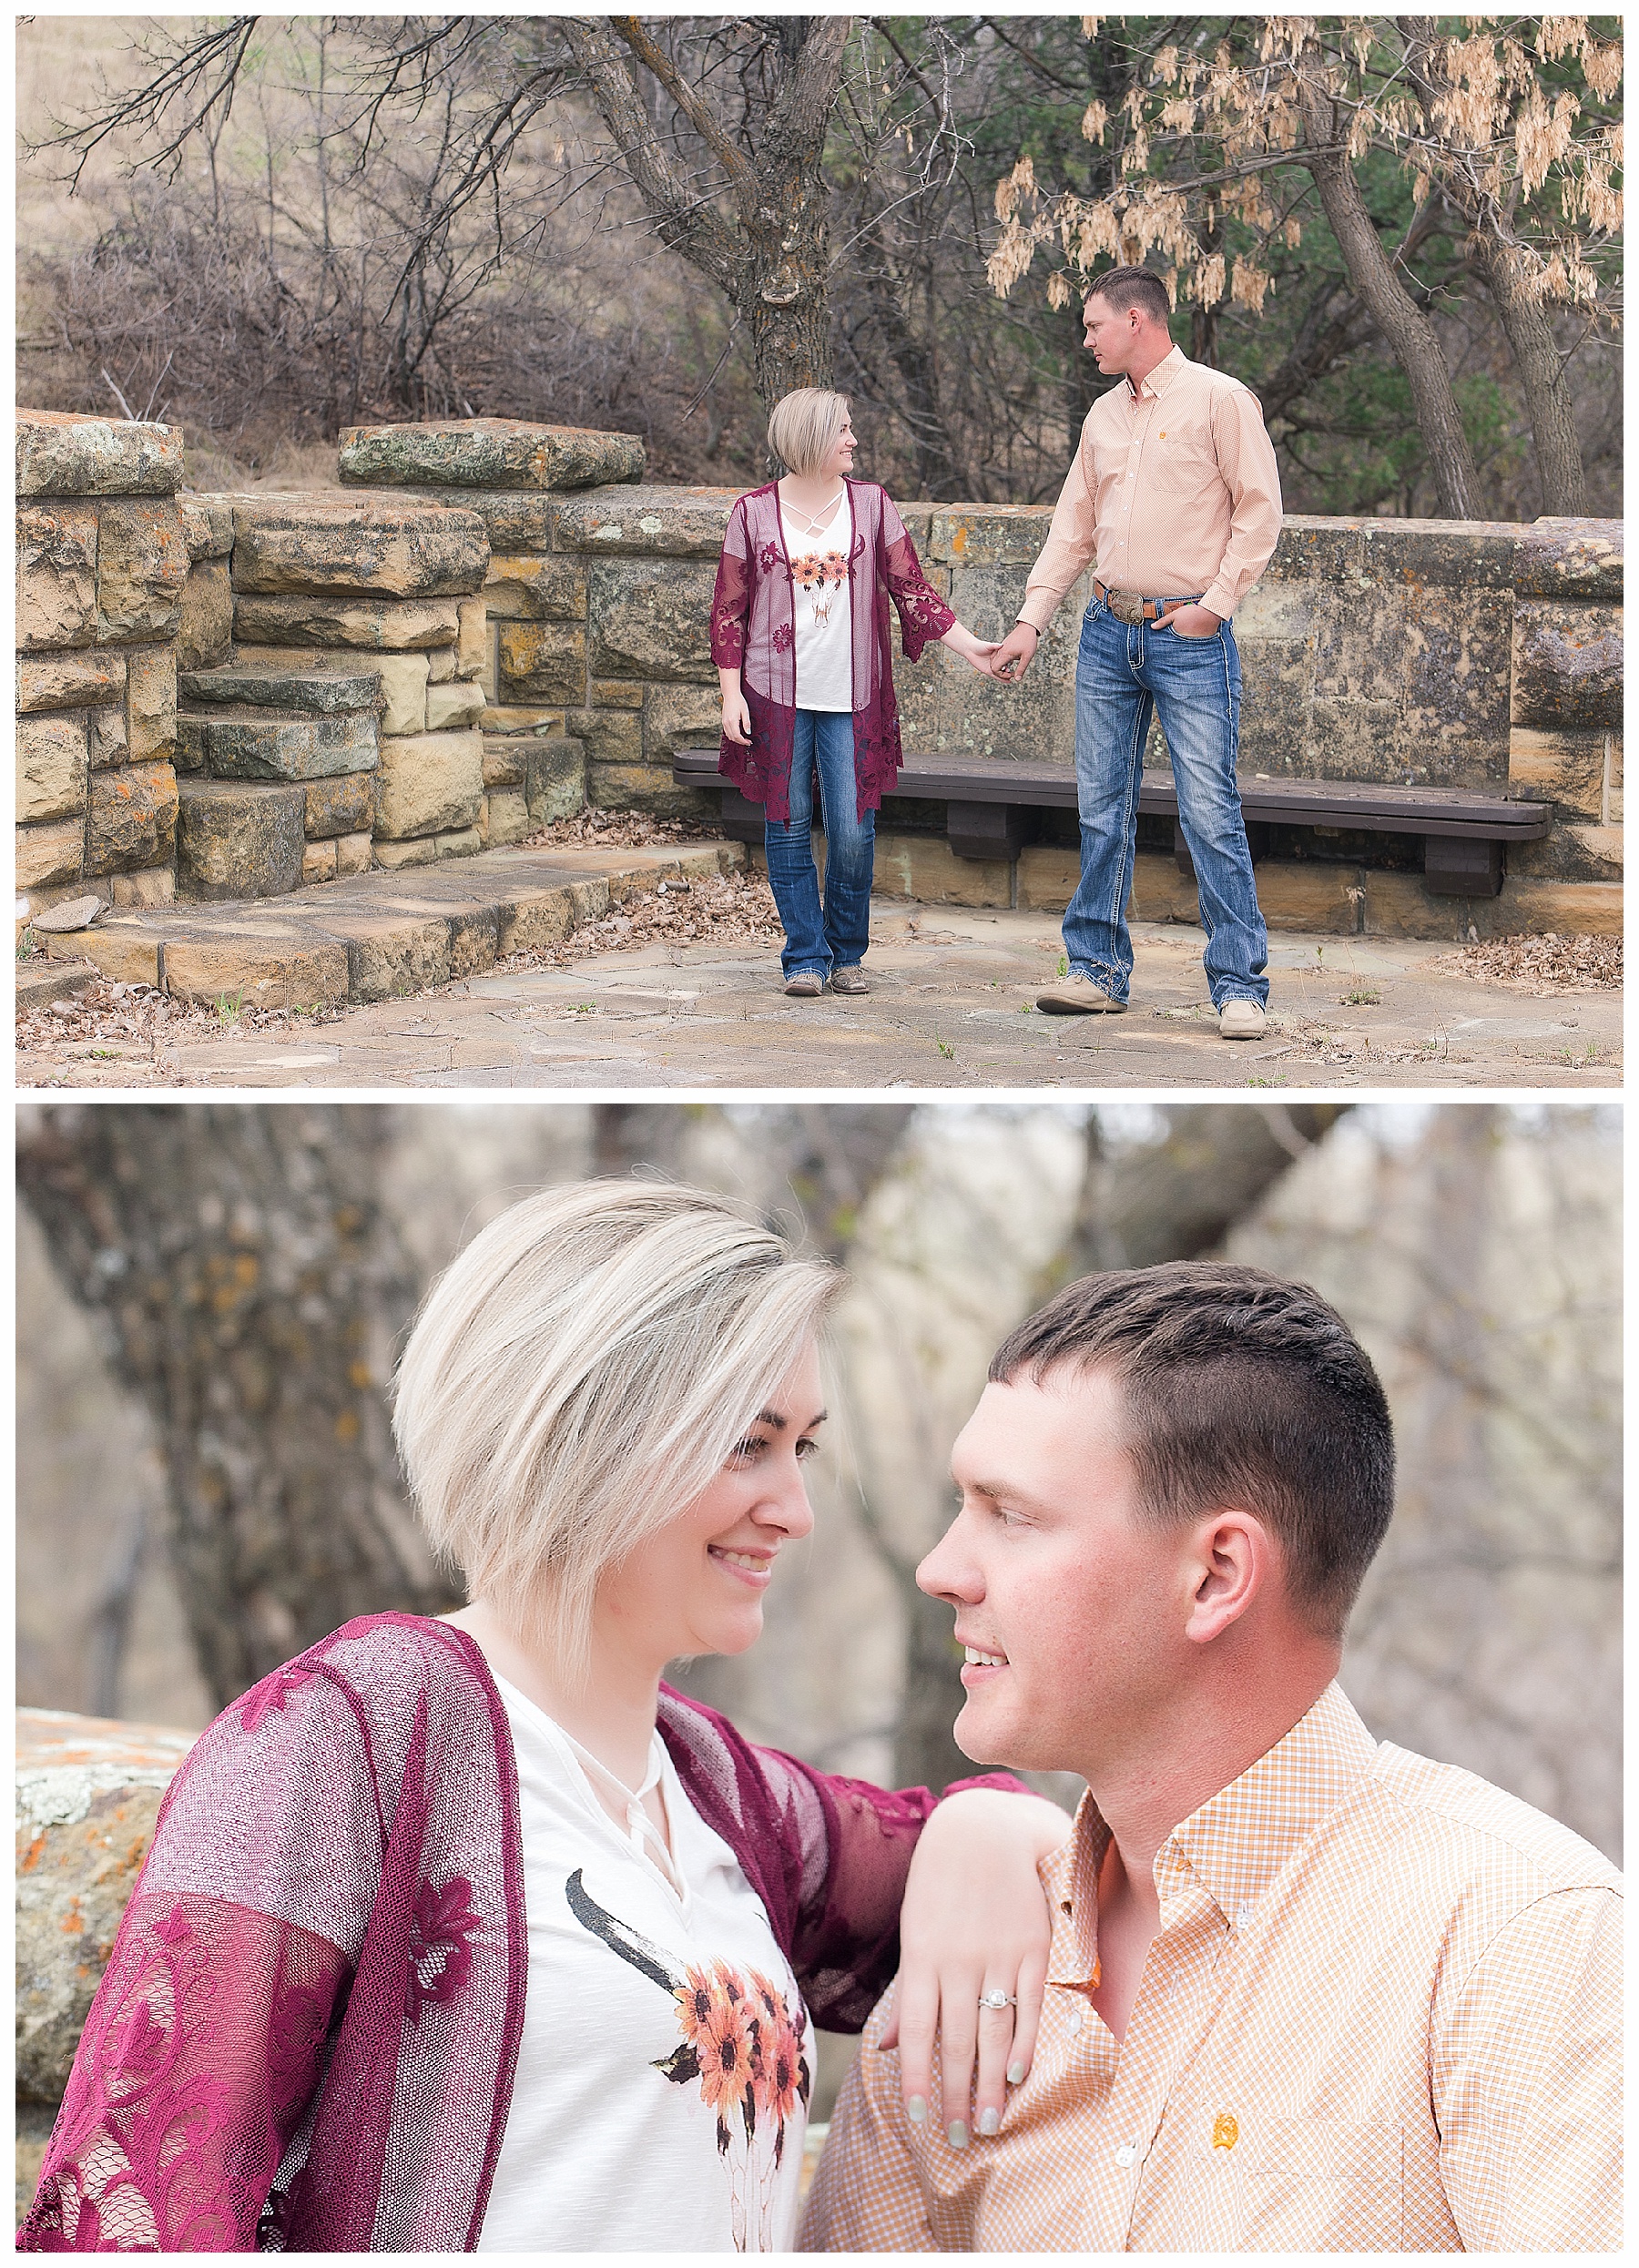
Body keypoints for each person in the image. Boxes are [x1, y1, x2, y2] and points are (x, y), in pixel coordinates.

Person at [22, 1183, 1071, 2254]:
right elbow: (139, 2200)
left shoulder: (714, 1782)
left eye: (800, 1447)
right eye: (747, 1444)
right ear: (591, 1435)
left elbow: (928, 1858)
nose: (795, 1509)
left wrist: (995, 1821)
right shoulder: (348, 1732)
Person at [801, 1261, 1621, 2253]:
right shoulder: (967, 1982)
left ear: (1216, 1574)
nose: (942, 1568)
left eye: (1009, 1514)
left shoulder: (1519, 1942)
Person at [988, 268, 1284, 1041]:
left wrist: (1213, 608)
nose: (1085, 340)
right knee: (1102, 809)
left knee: (1210, 813)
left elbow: (1260, 513)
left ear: (1136, 321)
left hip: (1189, 639)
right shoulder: (1102, 417)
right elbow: (1072, 528)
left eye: (1093, 326)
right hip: (1105, 632)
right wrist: (1032, 619)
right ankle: (1096, 973)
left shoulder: (1222, 400)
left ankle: (1238, 985)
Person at [711, 389, 999, 999]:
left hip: (852, 694)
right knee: (787, 825)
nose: (853, 439)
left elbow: (912, 589)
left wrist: (973, 646)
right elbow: (730, 611)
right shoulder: (753, 512)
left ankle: (847, 952)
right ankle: (805, 958)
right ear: (811, 437)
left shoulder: (871, 505)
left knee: (851, 830)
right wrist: (730, 694)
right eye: (842, 429)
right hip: (774, 695)